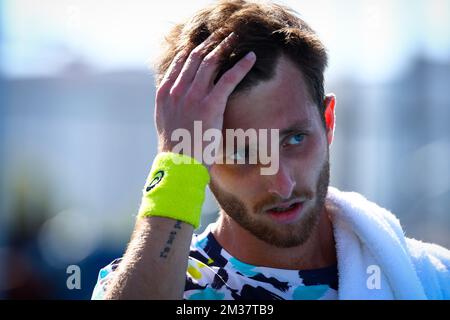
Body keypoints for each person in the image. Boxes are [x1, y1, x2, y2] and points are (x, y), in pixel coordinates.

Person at [92, 0, 450, 300]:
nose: (281, 184)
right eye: (244, 154)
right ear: (195, 156)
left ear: (328, 122)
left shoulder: (431, 278)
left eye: (294, 139)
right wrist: (175, 167)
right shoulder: (165, 284)